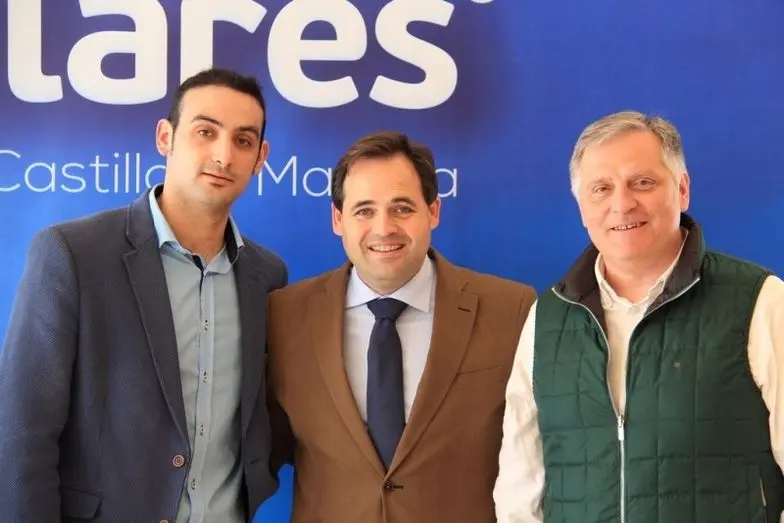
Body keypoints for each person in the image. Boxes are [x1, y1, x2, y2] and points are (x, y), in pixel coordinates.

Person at [0, 67, 287, 523]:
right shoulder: (73, 254)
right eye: (205, 132)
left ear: (260, 157)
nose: (223, 155)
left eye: (243, 140)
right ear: (165, 137)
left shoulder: (267, 276)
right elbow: (22, 432)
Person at [494, 110, 784, 523]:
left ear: (682, 189)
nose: (622, 204)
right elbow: (520, 483)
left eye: (642, 182)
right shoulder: (549, 317)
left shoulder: (759, 301)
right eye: (601, 188)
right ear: (581, 207)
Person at [266, 131, 536, 523]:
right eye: (364, 210)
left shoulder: (511, 310)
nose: (384, 227)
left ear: (433, 211)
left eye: (402, 208)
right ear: (338, 219)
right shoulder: (284, 314)